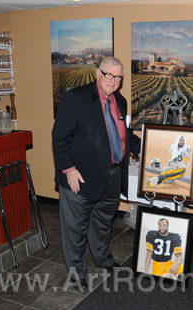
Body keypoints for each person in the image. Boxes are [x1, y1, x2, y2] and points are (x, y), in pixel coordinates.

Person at [52, 56, 133, 292]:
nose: (113, 80)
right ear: (98, 73)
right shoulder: (76, 98)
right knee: (75, 228)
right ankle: (76, 273)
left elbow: (122, 136)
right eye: (108, 74)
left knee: (103, 223)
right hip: (80, 176)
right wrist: (68, 170)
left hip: (111, 174)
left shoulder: (121, 101)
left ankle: (103, 259)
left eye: (117, 77)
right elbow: (59, 137)